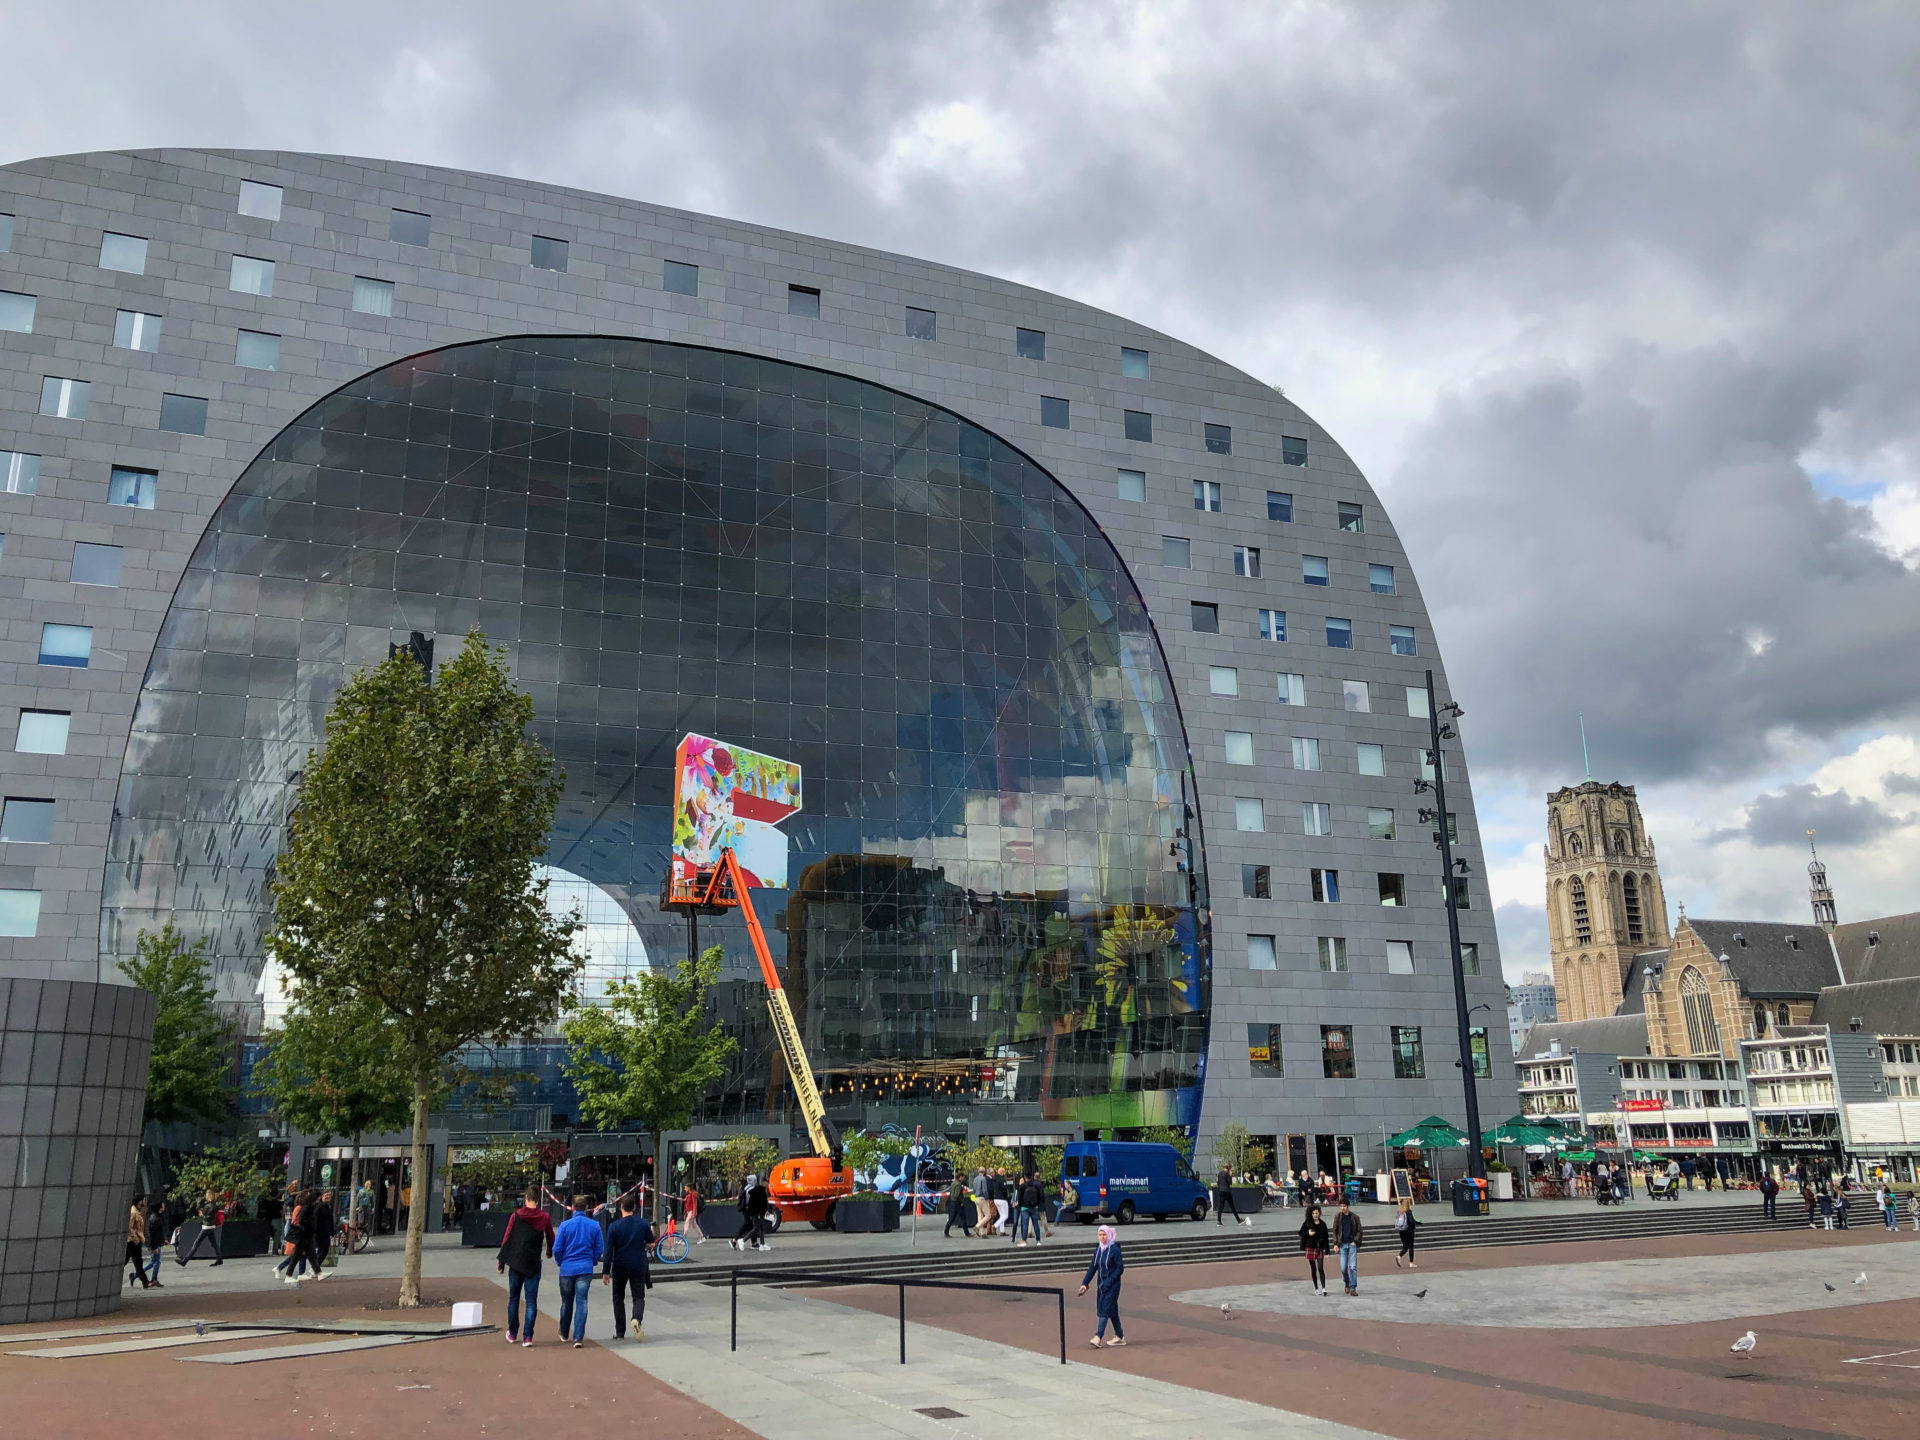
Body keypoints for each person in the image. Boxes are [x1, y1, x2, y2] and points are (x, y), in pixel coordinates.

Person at [497, 1186, 556, 1347]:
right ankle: (528, 1337)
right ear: (538, 1200)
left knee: (514, 1298)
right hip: (533, 1264)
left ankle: (512, 1332)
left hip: (516, 1262)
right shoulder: (544, 1217)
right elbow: (551, 1237)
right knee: (531, 1301)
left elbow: (507, 1238)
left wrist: (501, 1262)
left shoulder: (516, 1216)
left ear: (525, 1199)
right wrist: (550, 1252)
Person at [553, 1194, 604, 1350]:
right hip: (585, 1267)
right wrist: (593, 1261)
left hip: (567, 1268)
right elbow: (600, 1248)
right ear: (586, 1207)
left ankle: (564, 1331)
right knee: (582, 1302)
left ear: (573, 1208)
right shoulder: (594, 1225)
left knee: (566, 1301)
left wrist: (561, 1262)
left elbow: (557, 1249)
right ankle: (578, 1337)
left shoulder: (564, 1226)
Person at [602, 1194, 654, 1341]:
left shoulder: (614, 1227)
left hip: (620, 1265)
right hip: (638, 1264)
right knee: (638, 1296)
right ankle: (636, 1318)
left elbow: (608, 1251)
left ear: (621, 1208)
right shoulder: (642, 1223)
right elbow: (651, 1242)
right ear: (634, 1207)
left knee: (618, 1298)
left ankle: (620, 1332)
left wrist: (606, 1271)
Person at [1077, 1224, 1125, 1348]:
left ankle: (1098, 1337)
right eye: (1100, 1235)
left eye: (1104, 1235)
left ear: (1109, 1235)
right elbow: (1093, 1267)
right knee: (1112, 1310)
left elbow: (1120, 1268)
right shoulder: (1098, 1249)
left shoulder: (1115, 1249)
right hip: (1101, 1285)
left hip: (1113, 1285)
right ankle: (1119, 1336)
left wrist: (1110, 1280)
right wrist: (1085, 1283)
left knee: (1104, 1309)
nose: (1102, 1237)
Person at [1298, 1205, 1331, 1297]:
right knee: (1313, 1268)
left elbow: (1326, 1238)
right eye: (1313, 1213)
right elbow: (1301, 1232)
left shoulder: (1323, 1224)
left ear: (1319, 1213)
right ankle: (1316, 1288)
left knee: (1321, 1268)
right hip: (1310, 1247)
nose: (1315, 1215)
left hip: (1319, 1247)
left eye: (1316, 1213)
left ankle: (1324, 1288)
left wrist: (1327, 1251)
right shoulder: (1308, 1223)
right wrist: (1308, 1233)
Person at [734, 1172, 770, 1252]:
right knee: (756, 1228)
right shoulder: (752, 1189)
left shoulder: (748, 1188)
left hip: (754, 1211)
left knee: (760, 1227)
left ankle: (762, 1244)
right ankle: (743, 1240)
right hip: (755, 1211)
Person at [1335, 1199, 1364, 1296]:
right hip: (1342, 1245)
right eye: (1341, 1206)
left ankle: (1353, 1288)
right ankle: (1346, 1282)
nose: (1342, 1208)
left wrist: (1355, 1241)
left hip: (1352, 1245)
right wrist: (1335, 1243)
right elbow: (1335, 1231)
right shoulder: (1338, 1217)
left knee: (1353, 1267)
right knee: (1343, 1268)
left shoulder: (1355, 1217)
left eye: (1344, 1206)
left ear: (1348, 1206)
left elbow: (1359, 1230)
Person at [126, 1195, 152, 1289]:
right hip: (132, 1241)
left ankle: (137, 1277)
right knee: (138, 1261)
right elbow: (129, 1227)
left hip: (135, 1240)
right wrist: (136, 1239)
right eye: (143, 1200)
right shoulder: (133, 1212)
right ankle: (144, 1281)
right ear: (139, 1201)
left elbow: (143, 1223)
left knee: (126, 1260)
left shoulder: (138, 1211)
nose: (145, 1202)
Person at [310, 1189, 336, 1278]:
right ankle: (315, 1269)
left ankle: (315, 1268)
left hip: (326, 1232)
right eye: (326, 1196)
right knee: (322, 1250)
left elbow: (330, 1220)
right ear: (322, 1197)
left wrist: (332, 1231)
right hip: (320, 1232)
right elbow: (315, 1219)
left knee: (324, 1250)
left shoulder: (328, 1206)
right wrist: (315, 1231)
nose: (328, 1197)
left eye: (329, 1196)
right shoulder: (319, 1207)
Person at [144, 1196, 168, 1287]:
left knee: (153, 1262)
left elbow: (158, 1232)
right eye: (162, 1205)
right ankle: (154, 1279)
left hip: (157, 1242)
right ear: (160, 1207)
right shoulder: (155, 1218)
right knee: (156, 1262)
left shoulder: (158, 1217)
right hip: (154, 1243)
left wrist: (163, 1240)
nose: (164, 1206)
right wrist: (154, 1247)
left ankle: (136, 1275)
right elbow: (152, 1234)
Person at [1014, 1172, 1044, 1247]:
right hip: (1034, 1207)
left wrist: (1020, 1206)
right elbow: (1040, 1196)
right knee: (1036, 1224)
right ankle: (1038, 1241)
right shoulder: (1035, 1185)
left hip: (1025, 1207)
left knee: (1025, 1224)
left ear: (1025, 1177)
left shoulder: (1023, 1186)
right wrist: (1036, 1204)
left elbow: (1020, 1198)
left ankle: (1024, 1240)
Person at [1392, 1197, 1419, 1269]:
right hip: (1409, 1231)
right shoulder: (1408, 1211)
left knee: (1405, 1245)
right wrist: (1418, 1222)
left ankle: (1399, 1256)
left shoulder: (1400, 1211)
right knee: (1411, 1246)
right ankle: (1411, 1262)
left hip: (1401, 1230)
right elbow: (1412, 1221)